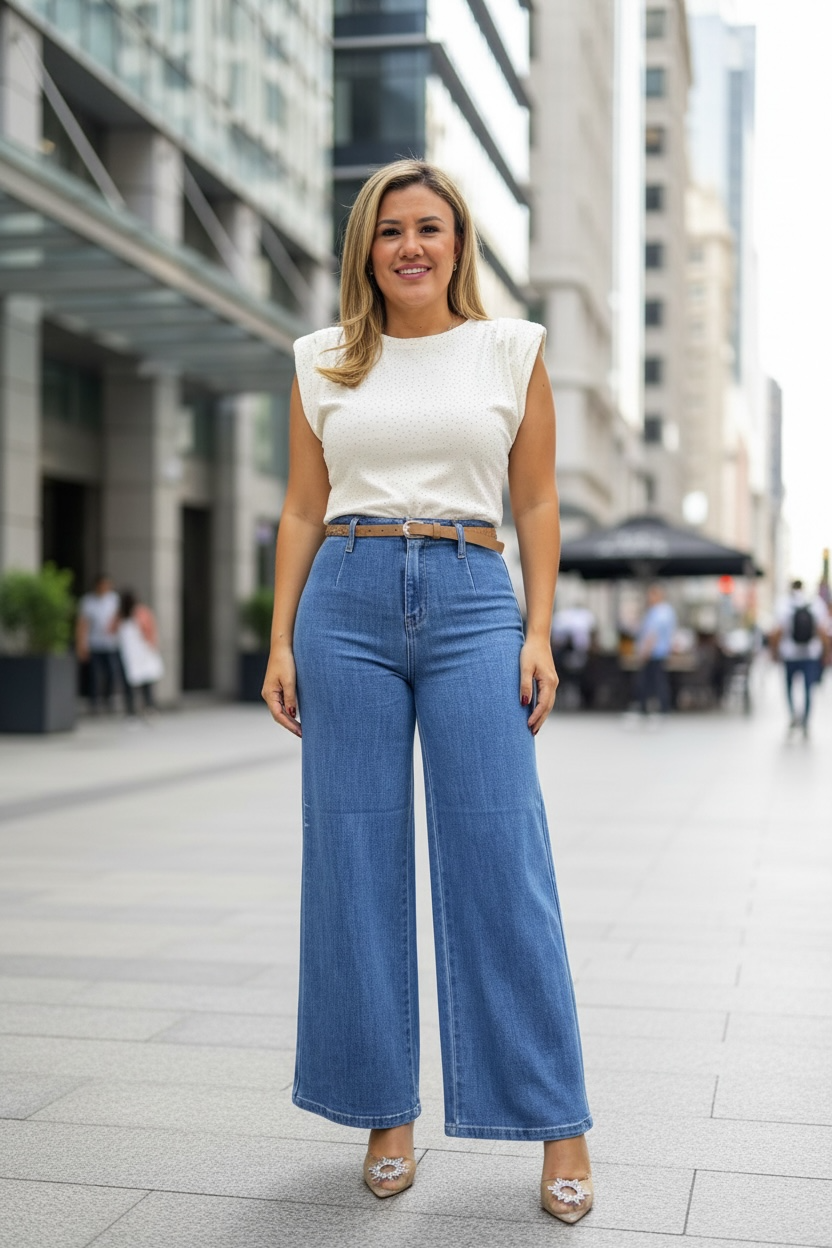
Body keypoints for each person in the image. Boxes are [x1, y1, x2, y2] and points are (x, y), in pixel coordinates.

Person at [261, 160, 593, 1223]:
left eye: (431, 228)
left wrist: (536, 628)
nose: (411, 245)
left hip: (468, 595)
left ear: (459, 244)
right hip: (344, 600)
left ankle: (559, 1122)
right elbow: (302, 511)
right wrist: (278, 639)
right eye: (391, 229)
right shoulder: (320, 359)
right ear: (366, 247)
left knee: (504, 858)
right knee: (352, 859)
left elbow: (536, 503)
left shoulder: (511, 348)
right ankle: (383, 1111)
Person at [770, 579, 830, 736]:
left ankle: (793, 715)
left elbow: (777, 632)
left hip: (790, 654)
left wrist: (774, 653)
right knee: (808, 688)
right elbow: (822, 632)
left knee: (789, 687)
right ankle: (805, 721)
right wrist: (826, 653)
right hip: (810, 654)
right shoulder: (815, 604)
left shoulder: (784, 604)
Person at [75, 574, 121, 712]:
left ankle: (108, 700)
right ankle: (94, 702)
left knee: (112, 673)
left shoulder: (114, 599)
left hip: (111, 643)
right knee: (94, 675)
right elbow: (83, 624)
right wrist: (81, 644)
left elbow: (119, 618)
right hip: (94, 643)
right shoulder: (88, 601)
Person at [114, 590, 163, 717]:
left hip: (141, 652)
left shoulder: (141, 612)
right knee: (133, 683)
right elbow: (112, 629)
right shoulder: (121, 614)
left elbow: (149, 630)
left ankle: (147, 708)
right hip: (129, 654)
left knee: (145, 681)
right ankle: (134, 711)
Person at [634, 583, 677, 717]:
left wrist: (645, 651)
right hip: (661, 652)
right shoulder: (667, 611)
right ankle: (658, 707)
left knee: (651, 681)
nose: (648, 598)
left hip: (654, 652)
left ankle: (649, 707)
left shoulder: (659, 612)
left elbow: (652, 634)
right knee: (656, 680)